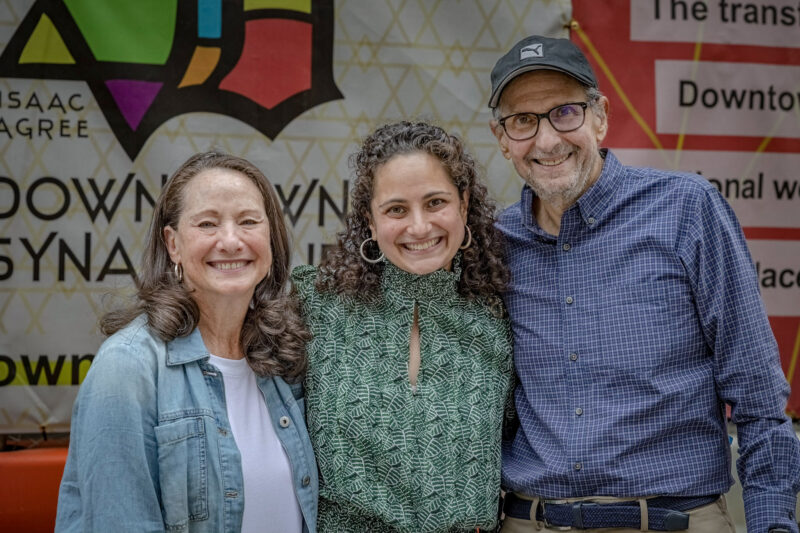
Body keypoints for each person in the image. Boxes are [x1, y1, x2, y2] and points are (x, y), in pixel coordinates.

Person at [488, 35, 800, 533]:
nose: (546, 141)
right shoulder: (493, 245)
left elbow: (759, 397)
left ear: (601, 116)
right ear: (502, 138)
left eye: (564, 112)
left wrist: (773, 525)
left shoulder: (685, 210)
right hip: (532, 520)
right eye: (523, 120)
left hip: (672, 521)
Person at [55, 151, 318, 533]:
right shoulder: (127, 369)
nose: (231, 241)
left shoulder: (284, 359)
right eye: (207, 224)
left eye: (248, 221)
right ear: (173, 244)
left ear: (271, 239)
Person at [291, 120, 514, 532]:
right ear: (370, 221)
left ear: (464, 204)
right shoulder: (314, 305)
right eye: (396, 209)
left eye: (435, 202)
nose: (419, 227)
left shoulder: (500, 321)